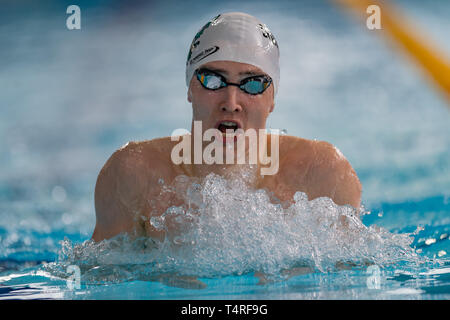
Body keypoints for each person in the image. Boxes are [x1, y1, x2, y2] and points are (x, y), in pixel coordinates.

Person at [92, 12, 362, 242]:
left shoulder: (322, 175)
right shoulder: (133, 176)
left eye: (253, 83)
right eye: (212, 80)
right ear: (190, 89)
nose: (231, 102)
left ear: (272, 100)